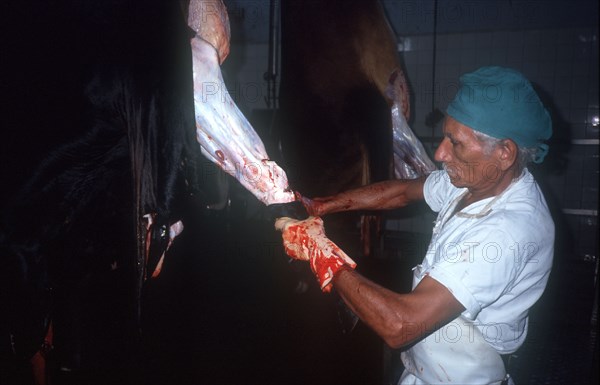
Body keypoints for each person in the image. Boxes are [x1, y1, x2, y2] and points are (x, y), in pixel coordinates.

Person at [276, 66, 554, 384]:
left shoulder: (507, 231)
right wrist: (325, 204)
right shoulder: (479, 179)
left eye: (455, 143)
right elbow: (404, 191)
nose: (439, 152)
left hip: (469, 376)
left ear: (504, 153)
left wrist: (321, 252)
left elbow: (401, 326)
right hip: (432, 365)